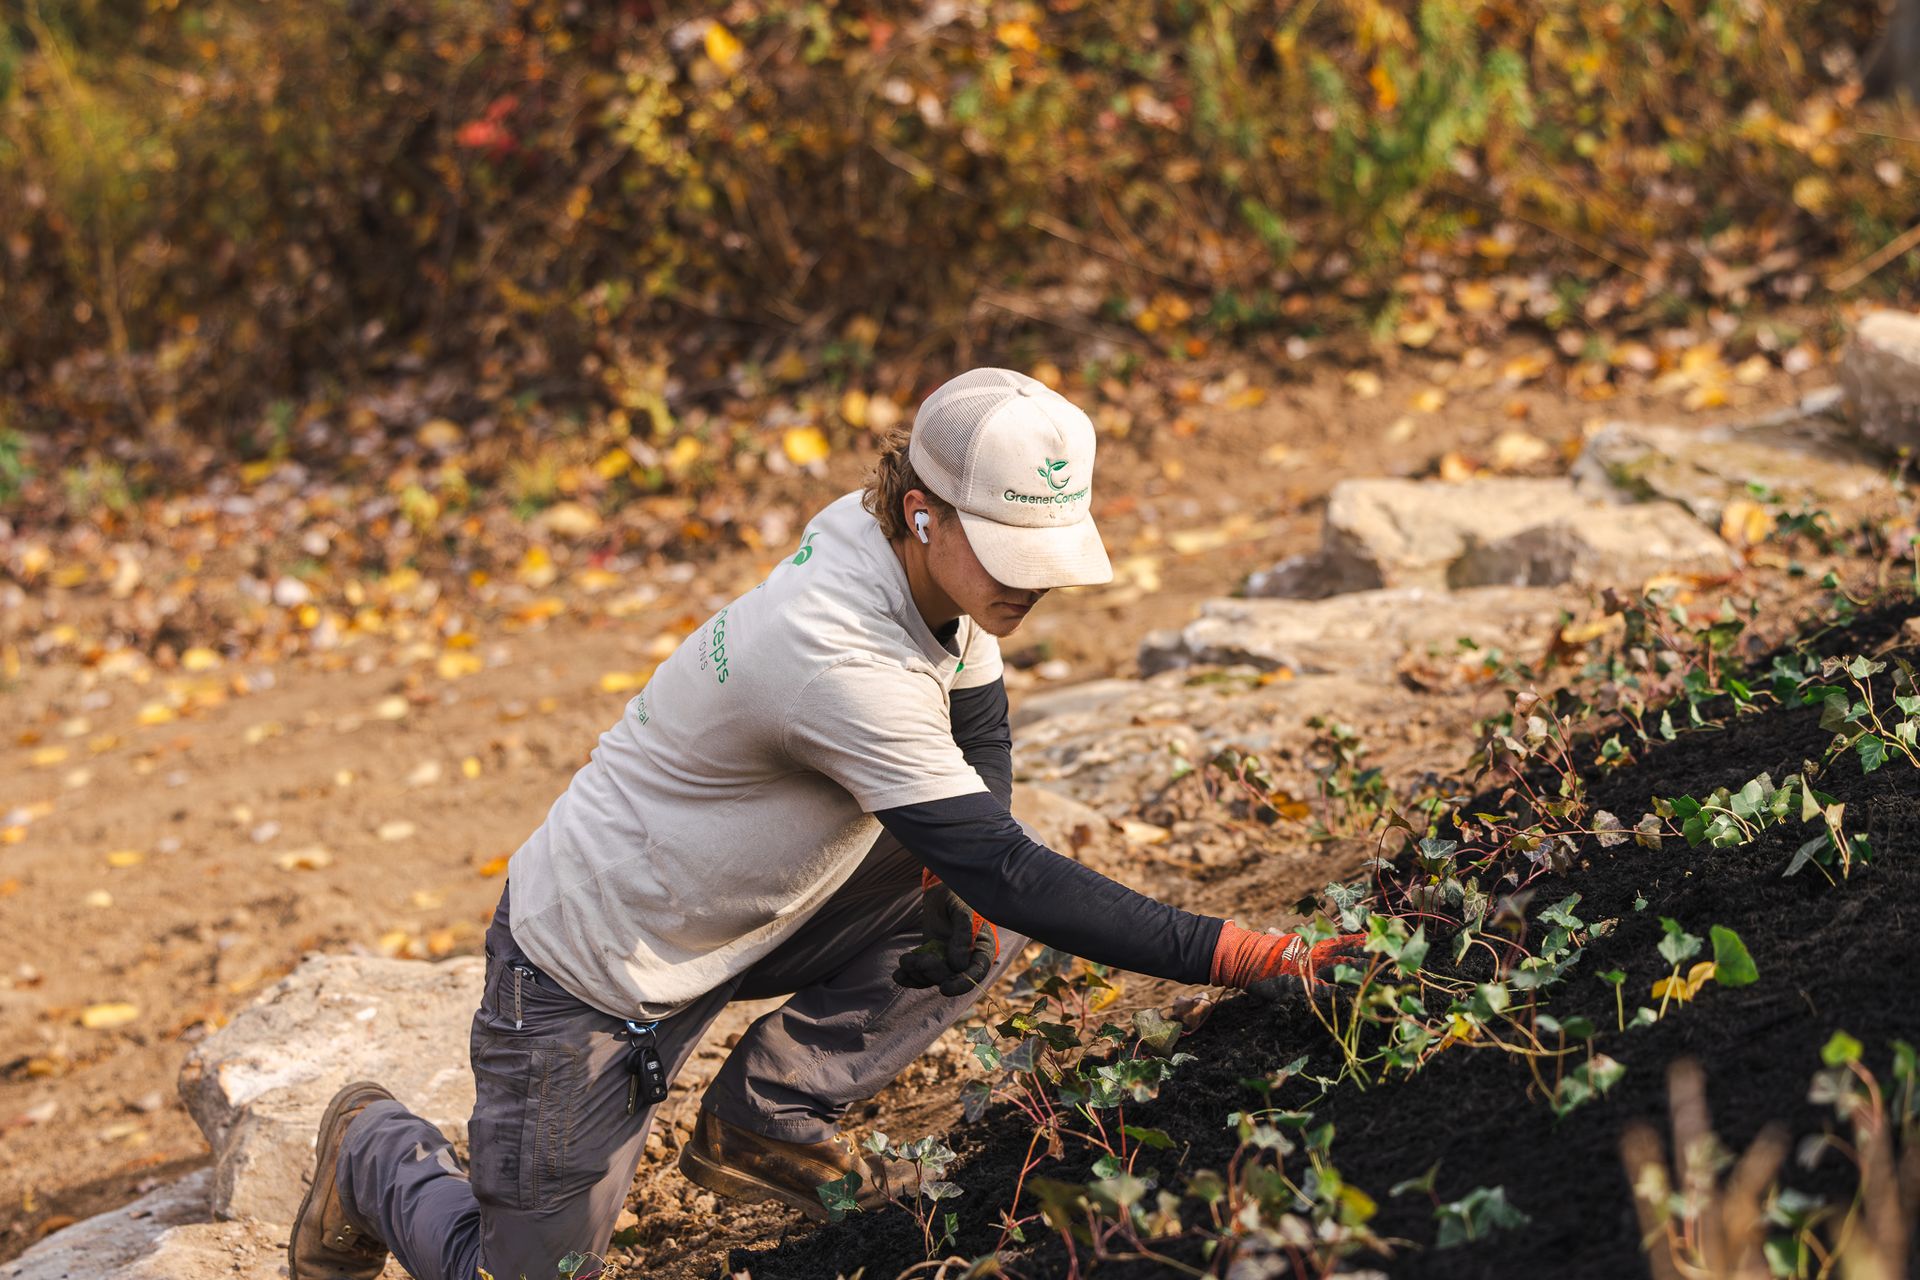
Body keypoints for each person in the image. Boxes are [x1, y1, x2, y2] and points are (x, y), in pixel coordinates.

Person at [287, 367, 1363, 1280]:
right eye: (1010, 557)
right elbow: (1006, 862)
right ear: (922, 515)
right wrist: (1248, 953)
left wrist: (957, 887)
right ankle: (373, 1148)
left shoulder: (923, 563)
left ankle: (771, 1113)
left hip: (746, 905)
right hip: (596, 965)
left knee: (980, 902)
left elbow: (981, 732)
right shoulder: (836, 650)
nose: (1032, 588)